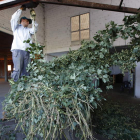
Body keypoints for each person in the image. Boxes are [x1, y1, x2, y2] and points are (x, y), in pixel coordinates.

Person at [10, 5, 38, 82]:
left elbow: (35, 30)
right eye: (27, 21)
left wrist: (34, 19)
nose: (29, 22)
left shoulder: (28, 30)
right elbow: (13, 18)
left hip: (27, 52)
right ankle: (15, 86)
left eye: (29, 21)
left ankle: (25, 87)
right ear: (22, 20)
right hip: (18, 51)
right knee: (17, 69)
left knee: (27, 70)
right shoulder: (15, 28)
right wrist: (20, 9)